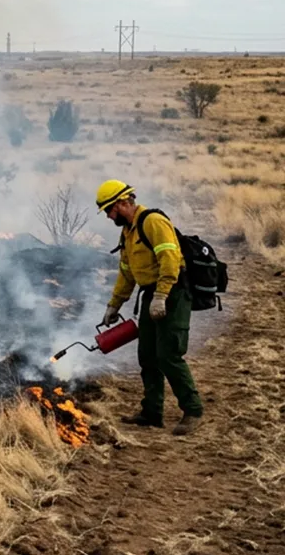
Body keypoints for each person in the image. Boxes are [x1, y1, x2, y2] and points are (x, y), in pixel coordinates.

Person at [97, 179, 203, 436]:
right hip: (150, 295)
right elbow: (127, 272)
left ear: (123, 203)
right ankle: (152, 412)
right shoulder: (128, 231)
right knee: (147, 355)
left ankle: (193, 410)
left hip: (172, 293)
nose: (109, 216)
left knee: (169, 355)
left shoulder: (153, 222)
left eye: (110, 210)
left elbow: (170, 261)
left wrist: (161, 296)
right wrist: (114, 304)